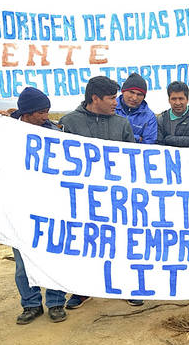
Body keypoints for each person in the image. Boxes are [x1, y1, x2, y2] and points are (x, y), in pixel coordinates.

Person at [0, 87, 69, 324]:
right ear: (27, 112)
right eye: (40, 112)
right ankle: (30, 304)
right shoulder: (7, 133)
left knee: (53, 256)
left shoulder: (54, 131)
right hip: (18, 207)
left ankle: (56, 302)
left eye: (47, 111)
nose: (45, 117)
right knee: (22, 262)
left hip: (50, 206)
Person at [59, 76, 140, 308]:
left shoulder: (122, 124)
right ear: (95, 98)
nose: (117, 102)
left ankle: (126, 286)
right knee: (84, 243)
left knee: (121, 242)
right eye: (112, 98)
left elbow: (132, 160)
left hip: (116, 197)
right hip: (81, 198)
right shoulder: (69, 123)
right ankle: (81, 290)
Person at [114, 72, 157, 144]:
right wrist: (137, 138)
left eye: (139, 94)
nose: (134, 98)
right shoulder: (110, 107)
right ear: (123, 91)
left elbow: (149, 144)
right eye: (131, 92)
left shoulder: (149, 117)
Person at [156, 81, 189, 147]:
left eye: (181, 99)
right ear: (169, 100)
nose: (177, 103)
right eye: (174, 99)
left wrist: (169, 139)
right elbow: (159, 144)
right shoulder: (161, 120)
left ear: (187, 99)